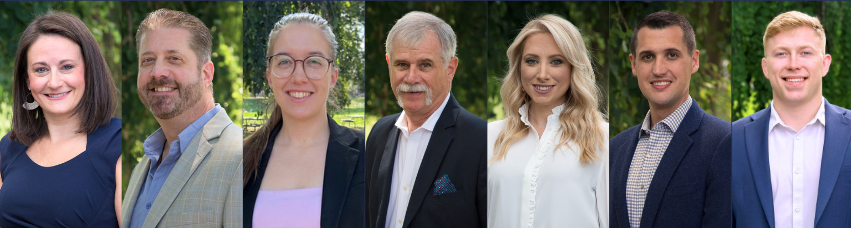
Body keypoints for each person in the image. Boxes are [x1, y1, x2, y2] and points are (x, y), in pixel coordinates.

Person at [609, 11, 731, 228]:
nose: (658, 69)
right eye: (648, 57)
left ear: (694, 61)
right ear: (634, 65)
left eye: (671, 55)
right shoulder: (615, 149)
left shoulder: (724, 141)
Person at [121, 9, 242, 228]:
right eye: (148, 60)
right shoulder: (144, 166)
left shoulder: (241, 157)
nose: (158, 72)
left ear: (206, 74)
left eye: (174, 59)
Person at [243, 12, 365, 228]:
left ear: (333, 76)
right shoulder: (240, 160)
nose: (298, 77)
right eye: (284, 62)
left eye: (314, 61)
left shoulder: (369, 154)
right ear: (269, 76)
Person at [365, 11, 486, 228]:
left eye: (425, 65)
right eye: (402, 65)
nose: (411, 78)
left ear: (450, 68)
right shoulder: (378, 135)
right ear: (388, 64)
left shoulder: (482, 140)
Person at [0, 12, 121, 227]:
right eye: (41, 70)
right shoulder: (9, 147)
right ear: (27, 80)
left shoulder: (117, 144)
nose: (54, 82)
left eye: (67, 67)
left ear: (88, 71)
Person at [487, 14, 608, 228]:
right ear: (518, 68)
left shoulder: (602, 140)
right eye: (532, 61)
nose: (542, 74)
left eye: (556, 61)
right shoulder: (490, 136)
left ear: (573, 68)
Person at [732, 11, 851, 228]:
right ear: (766, 67)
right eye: (781, 54)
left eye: (805, 52)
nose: (794, 64)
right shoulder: (732, 139)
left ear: (825, 64)